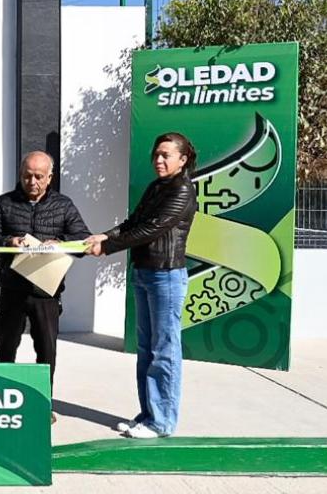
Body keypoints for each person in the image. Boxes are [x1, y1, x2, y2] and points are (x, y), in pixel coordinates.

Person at [86, 132, 198, 439]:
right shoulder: (155, 187)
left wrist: (108, 247)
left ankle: (162, 422)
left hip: (166, 277)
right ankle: (148, 415)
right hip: (145, 273)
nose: (159, 160)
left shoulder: (183, 190)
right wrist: (103, 236)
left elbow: (151, 229)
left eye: (166, 155)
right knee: (147, 349)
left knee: (164, 350)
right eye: (156, 154)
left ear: (182, 159)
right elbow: (133, 221)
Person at [0, 150, 90, 422]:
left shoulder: (63, 205)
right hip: (12, 289)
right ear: (20, 175)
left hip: (47, 292)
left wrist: (59, 243)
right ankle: (2, 399)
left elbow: (83, 240)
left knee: (46, 350)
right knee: (6, 346)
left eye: (38, 177)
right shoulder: (4, 204)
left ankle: (43, 403)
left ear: (50, 178)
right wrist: (9, 242)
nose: (32, 182)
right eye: (27, 176)